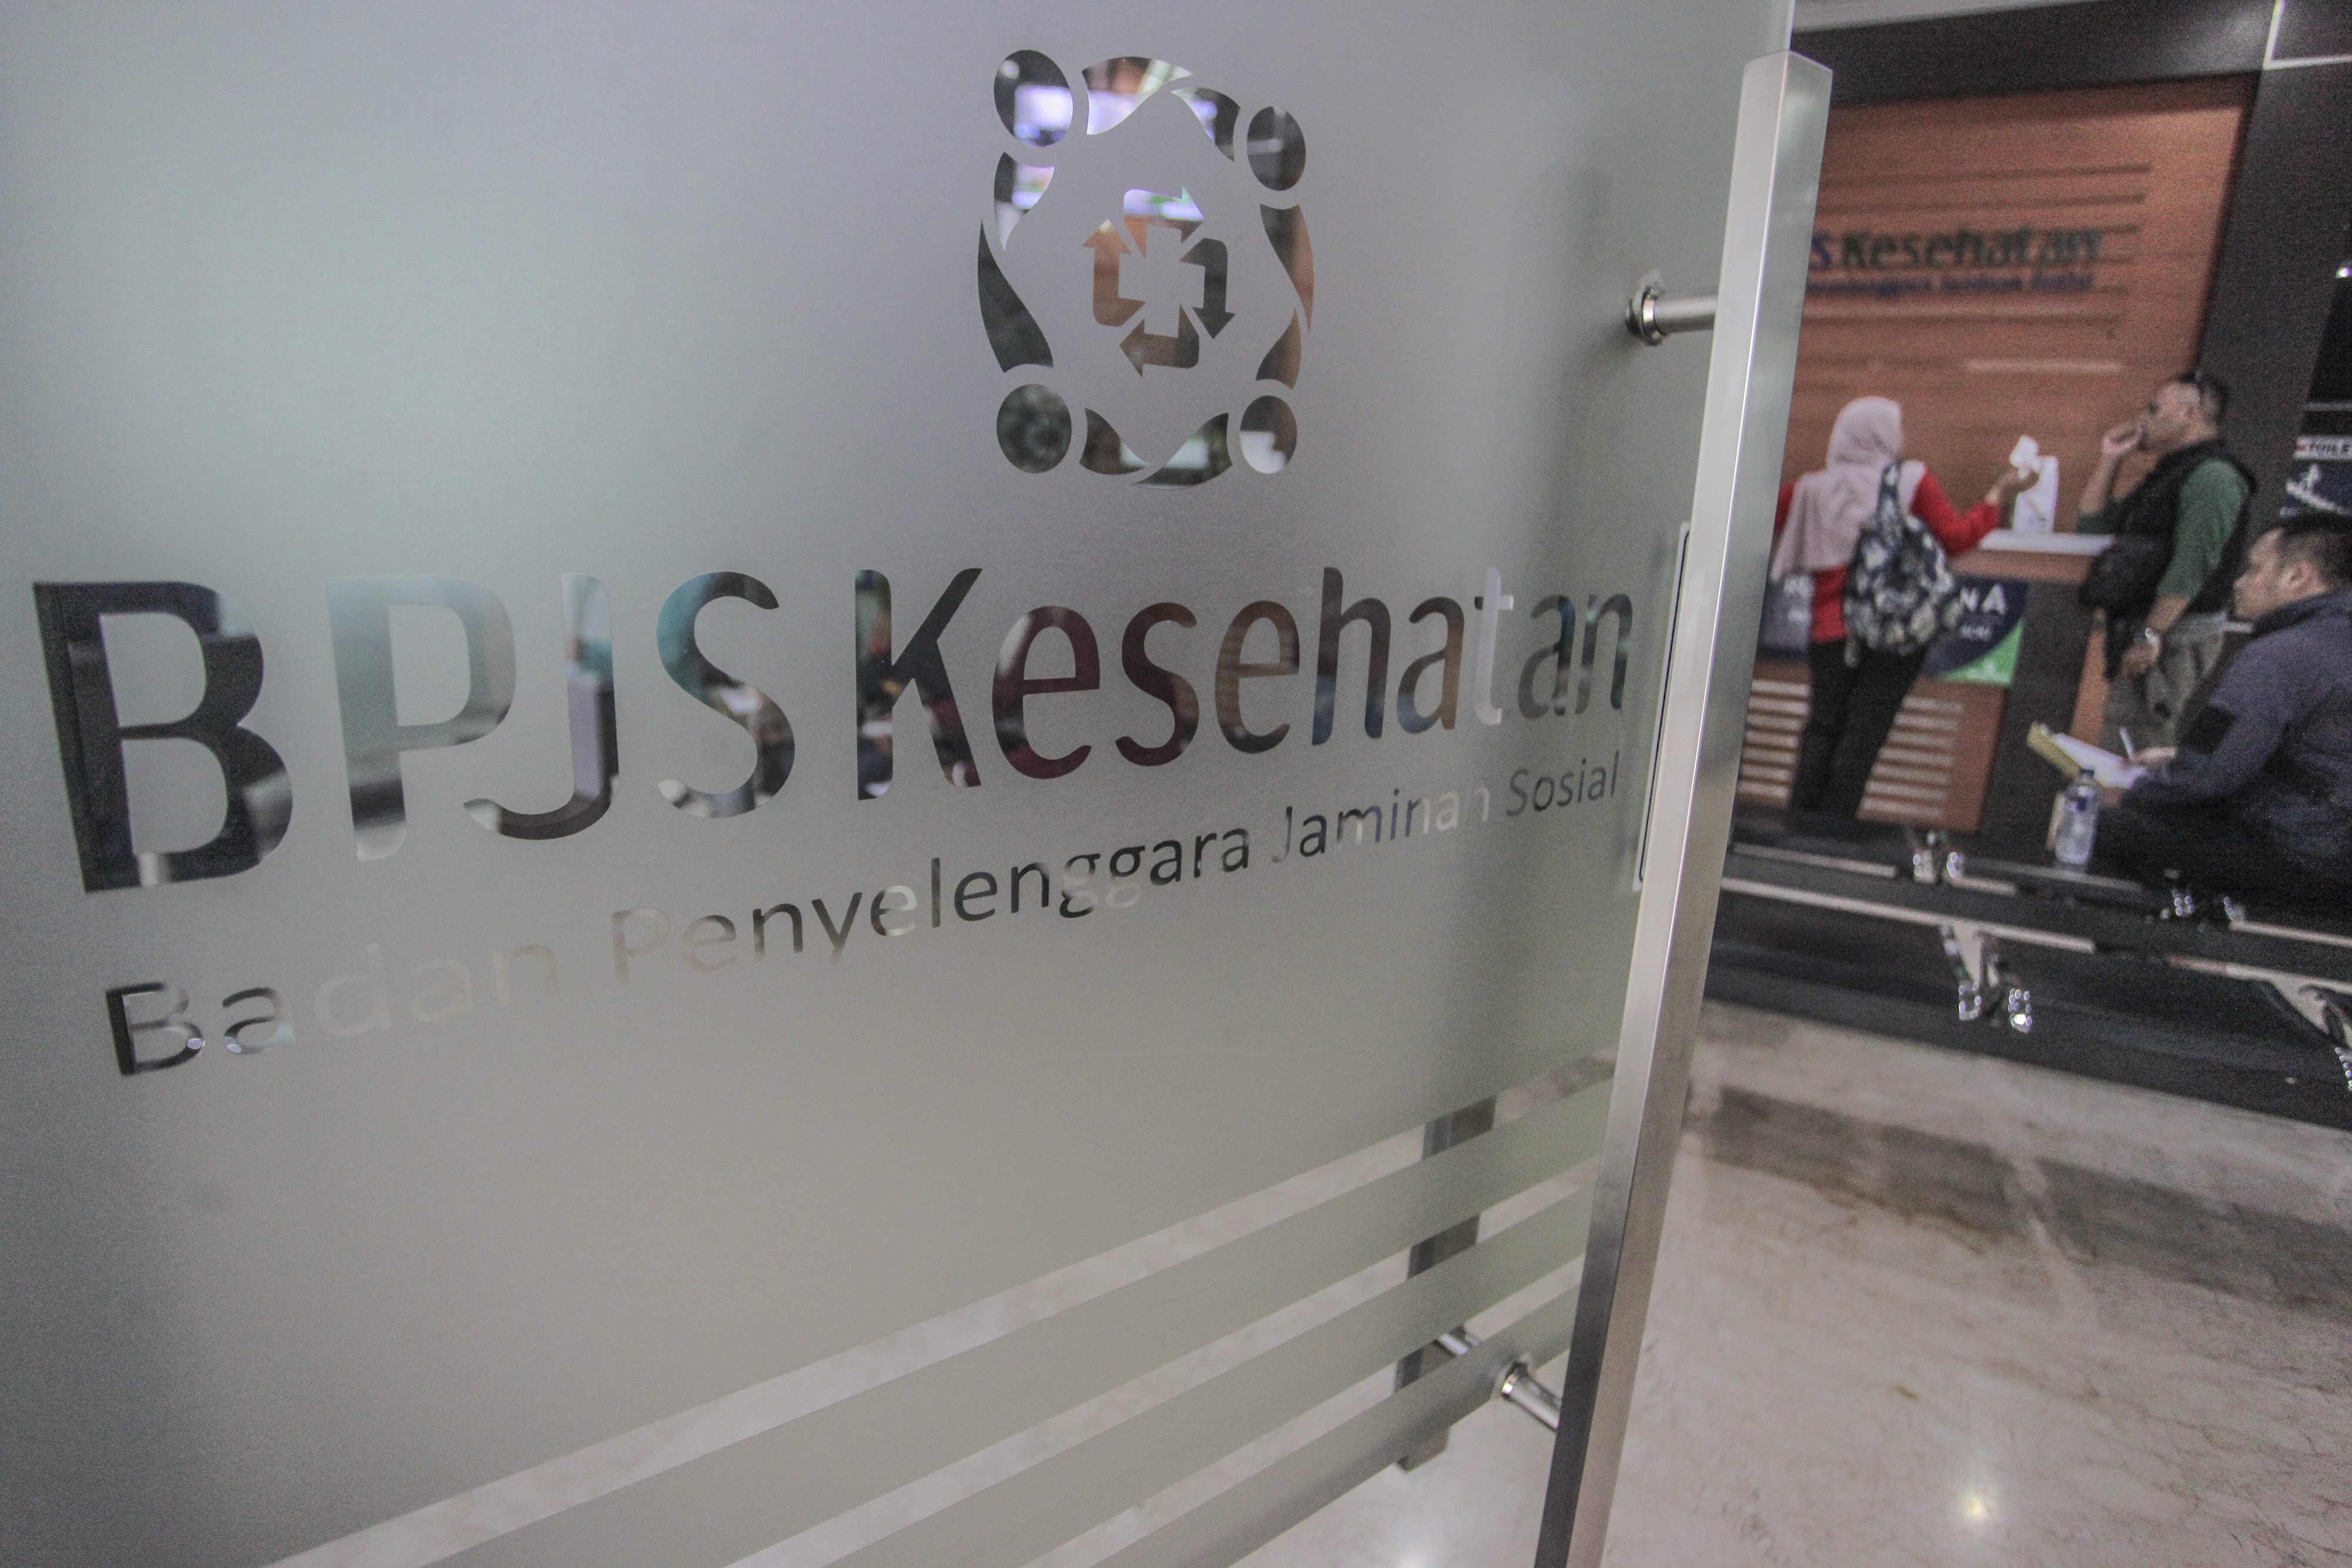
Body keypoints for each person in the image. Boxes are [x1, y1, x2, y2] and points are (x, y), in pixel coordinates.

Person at [1770, 396, 2036, 818]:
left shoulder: (1810, 490)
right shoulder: (1911, 480)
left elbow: (1755, 519)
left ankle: (1800, 826)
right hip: (1895, 629)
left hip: (1830, 630)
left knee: (1823, 726)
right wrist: (1997, 496)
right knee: (1864, 735)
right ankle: (1833, 831)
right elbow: (1955, 539)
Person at [2094, 516, 2352, 908]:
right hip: (2329, 839)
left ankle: (2158, 946)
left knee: (2107, 826)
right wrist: (2177, 757)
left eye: (2254, 570)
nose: (2238, 583)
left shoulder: (2278, 657)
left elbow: (2207, 772)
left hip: (2302, 849)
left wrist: (2130, 793)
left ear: (2297, 576)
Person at [2077, 371, 2254, 751]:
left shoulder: (2213, 477)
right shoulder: (2170, 474)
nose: (2143, 419)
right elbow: (2093, 525)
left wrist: (2151, 633)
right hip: (2144, 624)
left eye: (2155, 409)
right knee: (2121, 730)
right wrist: (2111, 457)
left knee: (2135, 738)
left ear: (2191, 413)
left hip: (2175, 631)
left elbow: (2193, 565)